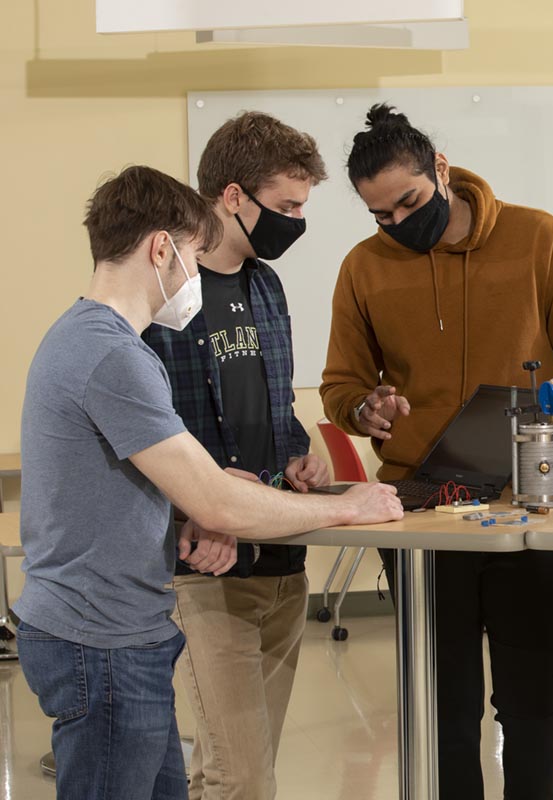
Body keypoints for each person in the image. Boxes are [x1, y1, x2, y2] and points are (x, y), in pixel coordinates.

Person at [15, 165, 404, 800]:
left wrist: (186, 514)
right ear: (161, 249)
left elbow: (140, 487)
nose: (196, 274)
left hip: (118, 632)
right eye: (195, 255)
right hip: (102, 640)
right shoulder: (113, 353)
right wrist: (347, 508)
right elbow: (217, 496)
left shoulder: (91, 338)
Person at [320, 104, 553, 799]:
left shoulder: (540, 239)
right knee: (442, 706)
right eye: (379, 215)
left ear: (442, 171)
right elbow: (342, 384)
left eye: (409, 203)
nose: (396, 223)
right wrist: (365, 410)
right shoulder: (362, 268)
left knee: (534, 702)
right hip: (421, 511)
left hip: (531, 506)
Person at [142, 112, 329, 800]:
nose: (297, 222)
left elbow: (272, 407)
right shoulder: (164, 294)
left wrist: (300, 455)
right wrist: (199, 500)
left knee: (234, 773)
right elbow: (144, 430)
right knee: (242, 779)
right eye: (286, 207)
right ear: (231, 195)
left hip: (283, 561)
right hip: (205, 570)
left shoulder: (266, 286)